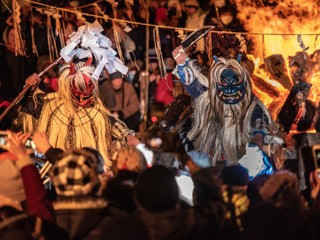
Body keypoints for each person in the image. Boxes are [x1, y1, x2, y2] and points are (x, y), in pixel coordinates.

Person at [16, 57, 140, 169]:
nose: (83, 94)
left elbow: (113, 124)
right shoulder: (50, 107)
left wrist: (129, 137)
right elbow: (28, 106)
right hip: (55, 169)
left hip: (86, 170)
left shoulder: (96, 113)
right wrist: (30, 88)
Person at [172, 45, 282, 168]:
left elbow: (260, 124)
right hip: (216, 158)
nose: (229, 90)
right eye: (224, 84)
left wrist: (256, 141)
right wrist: (182, 64)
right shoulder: (211, 100)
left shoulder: (252, 106)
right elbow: (193, 86)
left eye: (234, 84)